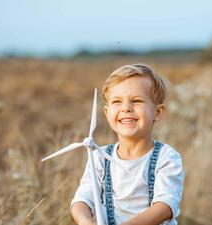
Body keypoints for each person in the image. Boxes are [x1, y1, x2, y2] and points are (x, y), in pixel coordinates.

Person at [70, 64, 184, 225]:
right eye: (117, 101)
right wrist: (85, 221)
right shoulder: (100, 157)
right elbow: (82, 200)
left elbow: (165, 205)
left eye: (136, 101)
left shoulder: (166, 157)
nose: (126, 108)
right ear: (107, 113)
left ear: (157, 113)